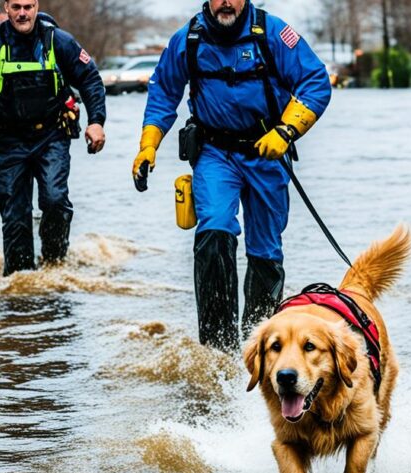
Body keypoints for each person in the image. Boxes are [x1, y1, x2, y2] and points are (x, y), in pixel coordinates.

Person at [133, 0, 331, 351]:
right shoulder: (188, 38)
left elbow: (315, 81)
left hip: (266, 152)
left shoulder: (272, 33)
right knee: (213, 230)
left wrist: (287, 131)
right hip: (214, 152)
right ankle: (218, 349)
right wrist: (149, 144)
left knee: (265, 248)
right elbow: (163, 91)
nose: (226, 1)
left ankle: (259, 347)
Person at [0, 0, 107, 275]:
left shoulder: (59, 41)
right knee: (15, 217)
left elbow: (90, 80)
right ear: (6, 8)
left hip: (51, 136)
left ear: (37, 6)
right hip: (8, 141)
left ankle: (53, 264)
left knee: (54, 200)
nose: (22, 13)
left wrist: (96, 122)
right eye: (16, 7)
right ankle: (20, 283)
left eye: (28, 6)